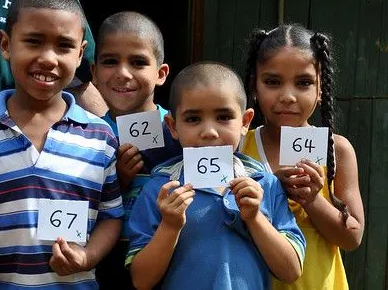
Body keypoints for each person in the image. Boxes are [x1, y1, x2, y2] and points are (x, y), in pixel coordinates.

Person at [0, 0, 124, 290]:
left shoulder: (101, 136)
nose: (48, 58)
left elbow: (111, 216)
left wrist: (87, 256)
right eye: (33, 41)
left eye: (64, 46)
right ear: (5, 44)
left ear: (82, 53)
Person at [127, 62, 306, 290]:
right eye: (193, 119)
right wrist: (170, 226)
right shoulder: (160, 189)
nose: (209, 132)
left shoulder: (265, 184)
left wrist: (255, 218)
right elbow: (141, 281)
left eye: (223, 117)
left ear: (245, 122)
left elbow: (291, 271)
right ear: (172, 126)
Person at [241, 24, 365, 289]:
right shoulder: (238, 146)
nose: (288, 96)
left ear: (320, 89)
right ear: (254, 85)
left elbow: (353, 238)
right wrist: (270, 186)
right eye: (273, 82)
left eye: (304, 83)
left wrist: (311, 200)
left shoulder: (337, 150)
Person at [89, 11, 181, 290]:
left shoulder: (181, 131)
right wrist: (116, 181)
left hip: (170, 257)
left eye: (138, 62)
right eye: (110, 61)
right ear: (93, 72)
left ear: (161, 73)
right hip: (104, 261)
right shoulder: (85, 135)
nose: (123, 73)